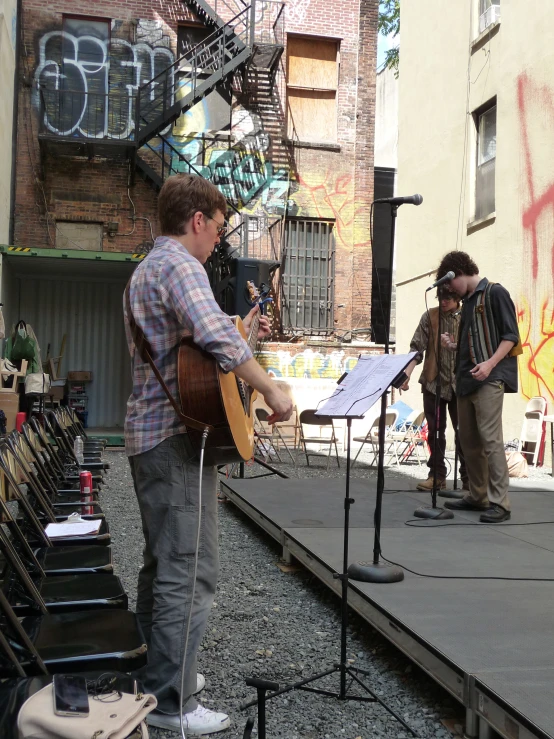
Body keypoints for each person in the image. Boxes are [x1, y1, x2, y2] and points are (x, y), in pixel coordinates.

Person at [123, 174, 293, 734]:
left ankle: (155, 678)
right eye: (218, 228)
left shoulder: (147, 269)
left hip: (152, 437)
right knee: (190, 572)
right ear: (197, 219)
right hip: (175, 442)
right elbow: (218, 345)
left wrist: (241, 328)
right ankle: (171, 704)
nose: (218, 239)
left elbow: (201, 344)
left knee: (162, 566)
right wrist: (270, 388)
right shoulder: (179, 266)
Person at [436, 251, 520, 523]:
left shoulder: (495, 293)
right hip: (467, 381)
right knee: (469, 441)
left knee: (491, 440)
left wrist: (489, 364)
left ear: (459, 272)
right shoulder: (469, 302)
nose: (450, 292)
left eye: (451, 286)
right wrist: (454, 346)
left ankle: (501, 504)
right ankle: (478, 495)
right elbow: (474, 342)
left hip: (489, 378)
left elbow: (511, 337)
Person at [401, 286, 468, 491]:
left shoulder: (467, 316)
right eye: (440, 297)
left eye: (448, 297)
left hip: (461, 385)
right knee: (435, 432)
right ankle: (437, 475)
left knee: (464, 432)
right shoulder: (430, 317)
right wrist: (407, 374)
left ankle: (468, 478)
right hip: (434, 382)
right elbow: (416, 349)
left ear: (458, 297)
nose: (443, 301)